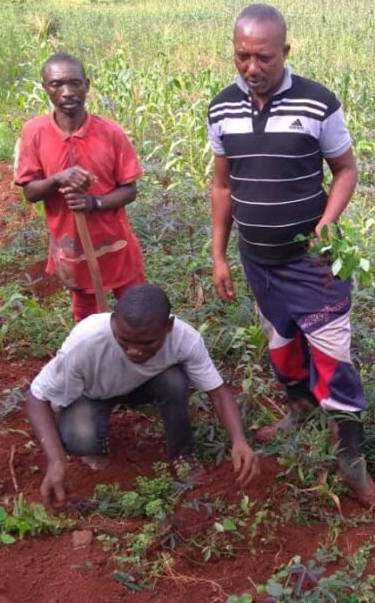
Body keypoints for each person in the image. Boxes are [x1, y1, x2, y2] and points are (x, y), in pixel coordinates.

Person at [207, 3, 375, 507]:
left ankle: (353, 466)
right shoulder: (222, 108)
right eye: (242, 56)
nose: (251, 68)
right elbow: (223, 185)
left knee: (333, 360)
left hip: (311, 264)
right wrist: (220, 254)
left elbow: (345, 169)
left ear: (285, 52)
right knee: (282, 345)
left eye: (263, 57)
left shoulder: (317, 104)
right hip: (257, 261)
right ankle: (298, 411)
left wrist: (327, 223)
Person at [27, 283, 260, 506]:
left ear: (168, 327)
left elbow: (218, 393)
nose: (134, 350)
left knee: (173, 380)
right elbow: (37, 396)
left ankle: (183, 456)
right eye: (124, 340)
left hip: (142, 387)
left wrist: (239, 440)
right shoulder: (85, 342)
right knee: (80, 439)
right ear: (113, 321)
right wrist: (56, 460)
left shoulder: (184, 339)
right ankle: (91, 442)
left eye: (147, 343)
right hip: (92, 394)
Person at [14, 52, 146, 322]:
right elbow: (30, 192)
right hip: (71, 250)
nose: (66, 92)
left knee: (137, 314)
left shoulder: (111, 133)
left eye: (74, 83)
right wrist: (58, 178)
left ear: (87, 85)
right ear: (45, 88)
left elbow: (129, 190)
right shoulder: (34, 133)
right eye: (56, 84)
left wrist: (94, 204)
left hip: (116, 246)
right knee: (87, 323)